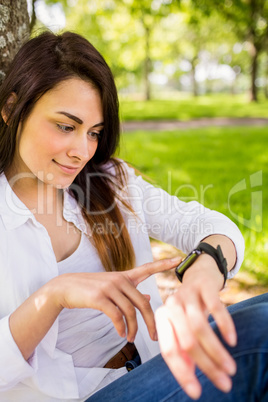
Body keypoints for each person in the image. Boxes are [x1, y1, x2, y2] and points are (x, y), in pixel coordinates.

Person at [0, 30, 266, 402]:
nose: (82, 151)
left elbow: (208, 225)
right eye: (65, 126)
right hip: (82, 395)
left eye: (94, 132)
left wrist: (205, 269)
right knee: (261, 333)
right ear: (12, 109)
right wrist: (56, 295)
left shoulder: (109, 181)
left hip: (152, 359)